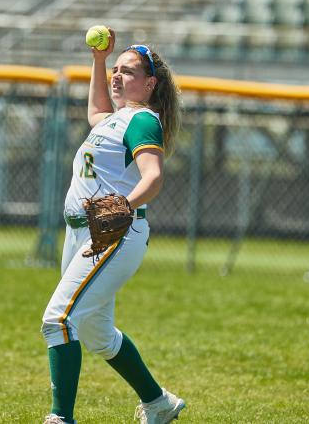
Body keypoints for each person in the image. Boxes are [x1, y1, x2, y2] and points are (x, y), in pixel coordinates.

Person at [41, 28, 185, 424]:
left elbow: (153, 177)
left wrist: (125, 204)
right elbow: (95, 113)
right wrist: (98, 61)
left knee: (59, 320)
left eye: (129, 72)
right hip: (82, 232)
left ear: (150, 83)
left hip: (113, 233)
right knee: (97, 334)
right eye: (116, 71)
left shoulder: (141, 121)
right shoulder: (115, 119)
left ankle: (60, 418)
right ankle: (159, 403)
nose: (118, 77)